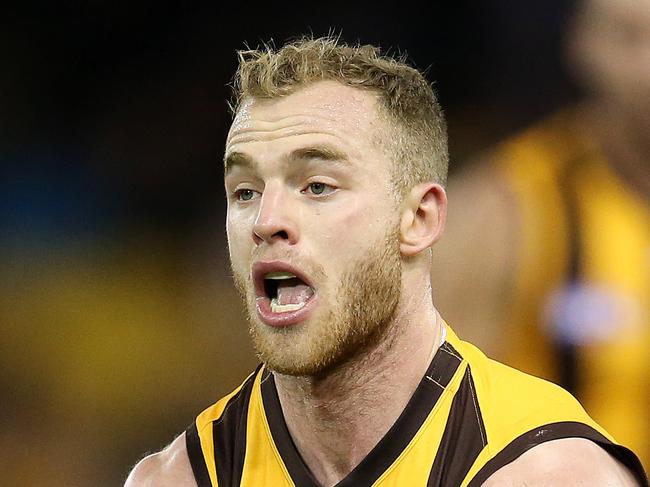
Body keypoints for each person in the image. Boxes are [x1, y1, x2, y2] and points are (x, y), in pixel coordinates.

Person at [124, 37, 647, 486]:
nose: (266, 219)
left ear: (419, 219)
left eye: (317, 186)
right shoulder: (178, 477)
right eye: (244, 191)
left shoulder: (546, 473)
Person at [431, 0, 650, 470]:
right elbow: (437, 419)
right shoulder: (509, 206)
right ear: (582, 46)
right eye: (629, 38)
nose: (647, 69)